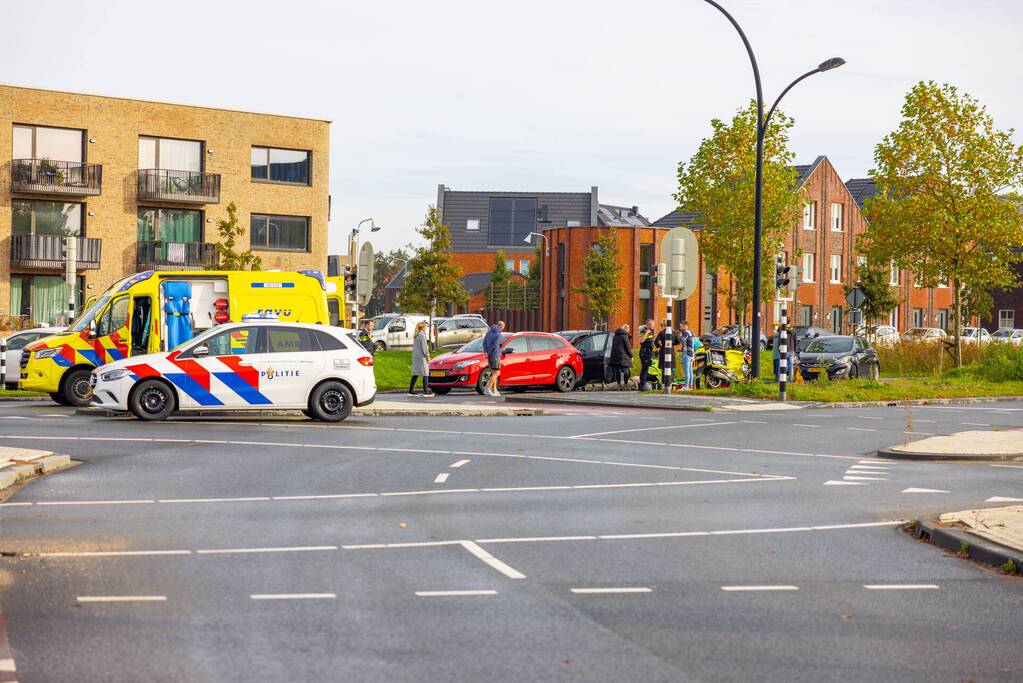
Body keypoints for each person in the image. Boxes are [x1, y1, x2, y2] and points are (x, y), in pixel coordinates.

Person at [408, 320, 433, 397]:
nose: (426, 328)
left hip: (416, 356)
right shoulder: (422, 336)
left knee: (416, 373)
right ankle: (426, 391)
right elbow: (425, 348)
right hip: (421, 357)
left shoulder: (417, 335)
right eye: (425, 327)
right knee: (425, 372)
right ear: (423, 327)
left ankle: (411, 390)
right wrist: (427, 357)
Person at [482, 320, 506, 397]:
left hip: (489, 356)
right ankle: (488, 388)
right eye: (503, 328)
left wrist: (486, 352)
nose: (502, 330)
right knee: (497, 373)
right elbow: (495, 345)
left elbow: (484, 343)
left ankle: (494, 389)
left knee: (493, 373)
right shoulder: (498, 335)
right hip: (495, 355)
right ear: (501, 327)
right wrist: (491, 352)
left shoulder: (488, 333)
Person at [609, 323, 633, 390]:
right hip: (623, 356)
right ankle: (625, 384)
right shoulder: (625, 336)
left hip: (615, 356)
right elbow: (627, 347)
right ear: (627, 329)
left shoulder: (615, 336)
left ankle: (619, 385)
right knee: (626, 370)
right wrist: (631, 356)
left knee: (618, 370)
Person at [638, 319, 656, 390]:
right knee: (644, 369)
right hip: (644, 353)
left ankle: (643, 384)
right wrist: (646, 333)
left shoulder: (651, 331)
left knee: (646, 369)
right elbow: (641, 341)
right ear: (648, 324)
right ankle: (642, 386)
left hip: (649, 353)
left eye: (653, 325)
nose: (653, 326)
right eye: (651, 325)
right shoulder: (644, 330)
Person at [679, 320, 695, 390]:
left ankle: (686, 386)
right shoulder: (691, 333)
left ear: (685, 326)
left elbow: (682, 340)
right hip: (691, 354)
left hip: (687, 354)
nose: (680, 328)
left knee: (686, 371)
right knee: (690, 371)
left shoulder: (685, 333)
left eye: (681, 326)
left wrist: (679, 336)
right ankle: (690, 386)